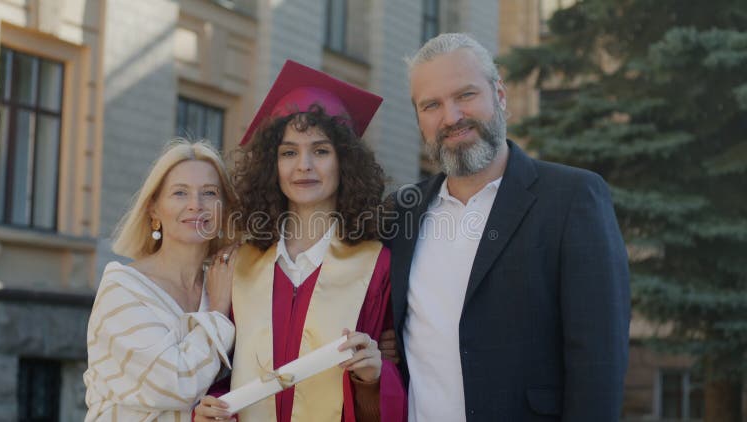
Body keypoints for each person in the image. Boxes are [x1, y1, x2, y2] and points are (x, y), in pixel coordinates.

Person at [382, 33, 631, 421]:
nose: (451, 117)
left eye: (465, 95)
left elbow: (598, 361)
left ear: (499, 94)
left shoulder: (572, 198)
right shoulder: (399, 213)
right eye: (432, 105)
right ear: (418, 118)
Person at [193, 60, 406, 422]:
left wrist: (373, 379)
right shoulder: (238, 265)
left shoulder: (377, 267)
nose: (303, 165)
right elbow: (222, 375)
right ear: (271, 166)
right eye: (289, 152)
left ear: (345, 163)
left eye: (320, 151)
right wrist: (212, 406)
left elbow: (389, 389)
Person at [84, 140, 239, 421]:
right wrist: (217, 311)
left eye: (210, 193)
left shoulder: (222, 285)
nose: (196, 205)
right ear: (153, 209)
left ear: (224, 210)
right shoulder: (123, 289)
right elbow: (174, 384)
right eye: (180, 193)